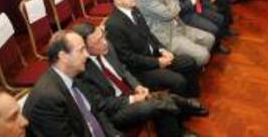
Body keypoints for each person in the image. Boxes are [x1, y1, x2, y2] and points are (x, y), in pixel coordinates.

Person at [72, 22, 203, 137]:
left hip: (128, 92)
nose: (104, 42)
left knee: (162, 105)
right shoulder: (81, 71)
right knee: (159, 105)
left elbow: (122, 69)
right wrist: (132, 99)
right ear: (84, 48)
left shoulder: (107, 46)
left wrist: (136, 86)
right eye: (97, 41)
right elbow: (102, 105)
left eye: (102, 36)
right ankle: (182, 106)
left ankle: (177, 128)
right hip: (114, 110)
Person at [105, 0, 201, 98]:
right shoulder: (114, 25)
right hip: (141, 69)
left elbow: (149, 34)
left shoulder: (135, 11)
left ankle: (192, 99)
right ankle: (179, 110)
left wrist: (162, 50)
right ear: (116, 0)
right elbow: (128, 58)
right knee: (177, 81)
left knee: (189, 62)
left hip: (154, 57)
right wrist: (157, 62)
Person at [23, 31, 122, 137]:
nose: (87, 54)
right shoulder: (47, 99)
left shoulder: (76, 75)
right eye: (81, 50)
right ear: (63, 56)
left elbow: (97, 111)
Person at [137, 0, 215, 67]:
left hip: (178, 25)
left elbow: (175, 2)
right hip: (166, 35)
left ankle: (194, 66)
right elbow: (168, 14)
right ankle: (190, 68)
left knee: (209, 39)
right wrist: (173, 8)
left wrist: (172, 8)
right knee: (203, 55)